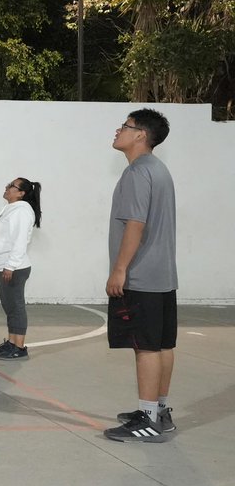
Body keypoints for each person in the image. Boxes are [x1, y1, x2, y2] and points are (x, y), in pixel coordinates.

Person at [103, 110, 178, 443]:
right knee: (162, 345)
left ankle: (147, 420)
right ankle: (159, 411)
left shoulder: (137, 173)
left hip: (141, 276)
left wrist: (119, 269)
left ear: (140, 136)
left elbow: (135, 224)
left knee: (145, 348)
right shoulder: (159, 171)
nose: (119, 130)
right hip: (163, 276)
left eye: (126, 126)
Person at [0, 177, 42, 360]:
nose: (7, 188)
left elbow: (19, 241)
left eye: (11, 186)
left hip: (13, 268)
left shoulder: (22, 211)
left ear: (21, 193)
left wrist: (10, 265)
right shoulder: (9, 209)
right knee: (9, 307)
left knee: (16, 307)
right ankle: (11, 342)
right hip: (1, 266)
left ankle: (19, 346)